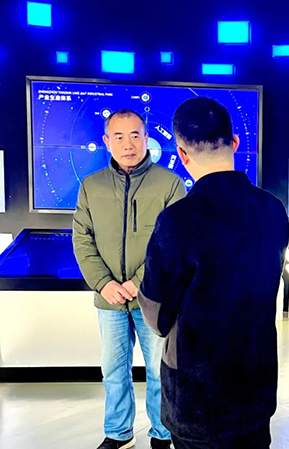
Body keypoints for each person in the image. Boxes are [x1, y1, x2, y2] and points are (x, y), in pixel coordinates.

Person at [138, 97, 289, 449]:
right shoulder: (272, 209)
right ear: (234, 142)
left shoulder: (177, 220)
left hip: (197, 400)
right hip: (256, 383)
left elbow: (157, 315)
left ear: (182, 154)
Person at [73, 109, 186, 449]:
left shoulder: (169, 183)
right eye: (119, 137)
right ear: (107, 142)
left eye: (135, 135)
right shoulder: (91, 186)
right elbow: (82, 239)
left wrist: (138, 282)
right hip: (109, 299)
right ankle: (118, 433)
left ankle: (162, 433)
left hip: (154, 298)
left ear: (146, 138)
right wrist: (103, 283)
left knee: (160, 371)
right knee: (113, 370)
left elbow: (173, 241)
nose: (128, 144)